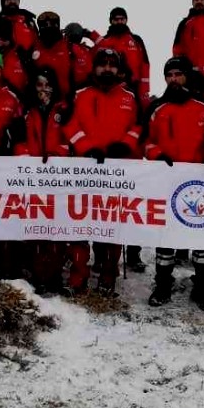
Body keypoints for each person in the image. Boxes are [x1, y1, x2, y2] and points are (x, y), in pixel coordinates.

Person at [142, 56, 204, 311]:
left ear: (187, 76)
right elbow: (146, 141)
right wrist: (156, 154)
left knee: (201, 242)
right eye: (169, 75)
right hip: (167, 182)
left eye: (179, 74)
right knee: (166, 238)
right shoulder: (157, 108)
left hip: (199, 186)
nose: (174, 79)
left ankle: (203, 289)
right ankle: (163, 285)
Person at [63, 49, 142, 297]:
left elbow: (140, 125)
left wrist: (127, 143)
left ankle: (108, 276)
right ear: (94, 67)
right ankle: (78, 278)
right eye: (102, 64)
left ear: (119, 69)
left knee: (111, 227)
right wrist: (86, 147)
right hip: (84, 172)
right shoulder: (79, 95)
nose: (107, 69)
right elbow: (68, 124)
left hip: (116, 174)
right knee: (79, 227)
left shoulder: (130, 97)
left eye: (112, 65)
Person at [12, 67, 77, 295]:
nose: (44, 89)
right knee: (35, 227)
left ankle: (56, 274)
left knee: (57, 227)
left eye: (48, 84)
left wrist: (57, 154)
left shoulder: (64, 109)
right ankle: (38, 274)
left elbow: (72, 138)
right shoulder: (24, 111)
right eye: (39, 84)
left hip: (58, 176)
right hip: (31, 176)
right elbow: (18, 140)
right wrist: (26, 160)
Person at [93, 7, 150, 110]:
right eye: (116, 19)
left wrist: (144, 91)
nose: (119, 22)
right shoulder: (104, 41)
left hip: (133, 86)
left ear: (126, 20)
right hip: (110, 84)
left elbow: (145, 64)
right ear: (111, 21)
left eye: (122, 19)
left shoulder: (136, 40)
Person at [30, 11, 81, 100]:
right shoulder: (32, 49)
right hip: (40, 103)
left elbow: (85, 77)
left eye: (53, 25)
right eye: (44, 26)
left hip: (66, 103)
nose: (48, 28)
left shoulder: (72, 49)